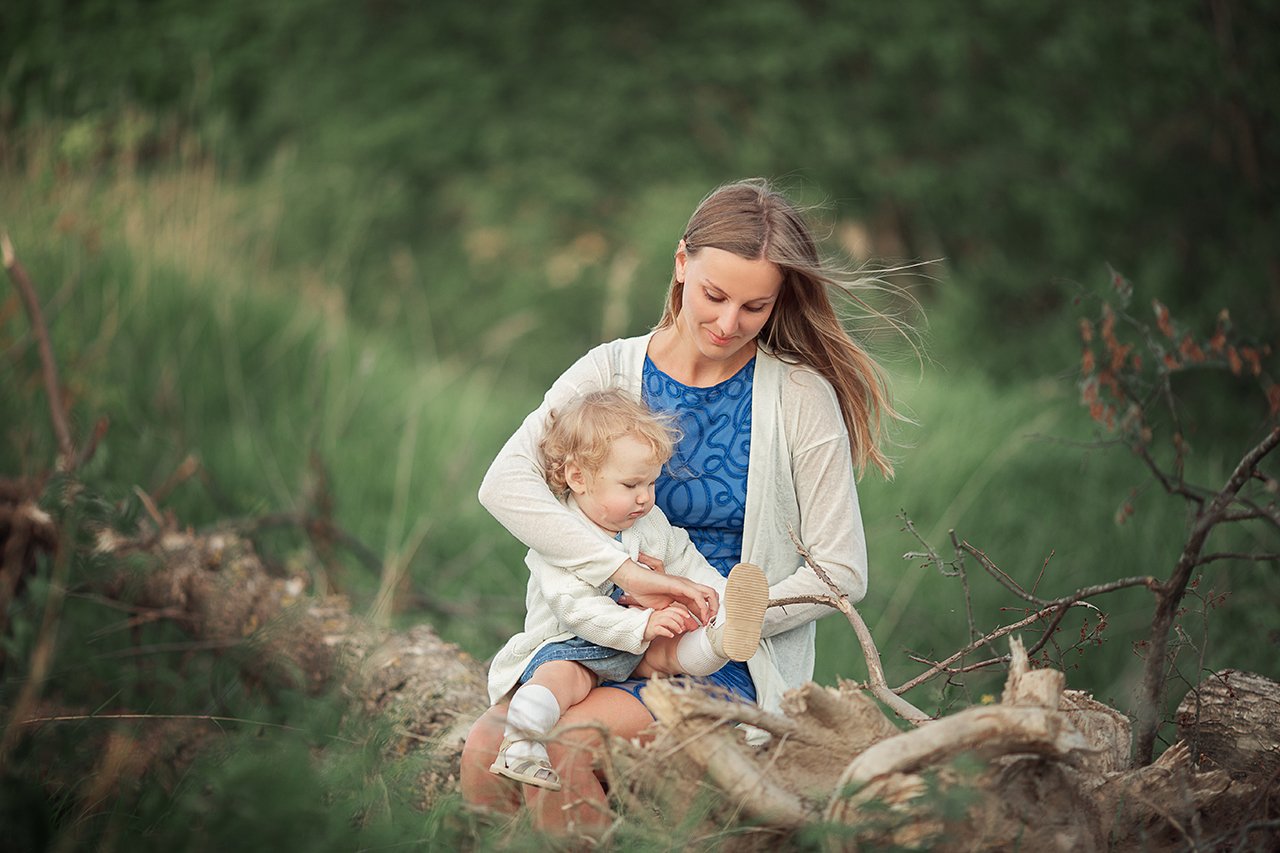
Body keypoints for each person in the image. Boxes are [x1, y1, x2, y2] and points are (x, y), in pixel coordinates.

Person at [461, 178, 901, 834]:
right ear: (680, 264)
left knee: (569, 743)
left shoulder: (800, 396)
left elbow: (843, 571)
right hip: (589, 637)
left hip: (717, 656)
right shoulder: (607, 372)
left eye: (755, 306)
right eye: (714, 295)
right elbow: (504, 484)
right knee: (481, 753)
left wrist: (714, 615)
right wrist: (626, 576)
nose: (728, 323)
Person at [486, 388, 770, 793]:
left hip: (627, 650)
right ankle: (523, 742)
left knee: (672, 652)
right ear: (578, 478)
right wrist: (643, 623)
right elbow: (577, 611)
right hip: (570, 645)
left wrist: (716, 595)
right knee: (561, 679)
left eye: (652, 483)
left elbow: (685, 561)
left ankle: (723, 638)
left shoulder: (646, 522)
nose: (645, 498)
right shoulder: (559, 537)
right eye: (631, 484)